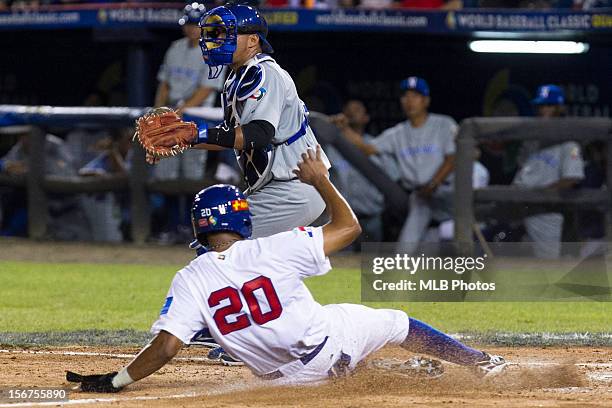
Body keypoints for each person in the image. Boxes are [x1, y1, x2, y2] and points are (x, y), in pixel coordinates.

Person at [66, 146, 508, 393]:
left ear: (200, 229)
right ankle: (479, 363)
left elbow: (164, 350)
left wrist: (118, 379)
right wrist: (320, 181)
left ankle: (398, 375)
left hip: (286, 384)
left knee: (330, 356)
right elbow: (349, 227)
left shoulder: (190, 278)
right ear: (242, 219)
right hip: (332, 344)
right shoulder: (273, 248)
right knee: (396, 322)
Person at [150, 3, 330, 239]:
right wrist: (181, 141)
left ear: (253, 41)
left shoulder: (265, 73)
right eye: (214, 34)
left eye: (225, 33)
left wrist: (191, 134)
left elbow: (257, 135)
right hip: (275, 187)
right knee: (255, 263)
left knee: (219, 245)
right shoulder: (237, 76)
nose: (215, 40)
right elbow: (231, 136)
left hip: (295, 186)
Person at [342, 77, 457, 251]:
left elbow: (453, 157)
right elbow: (368, 148)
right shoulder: (397, 133)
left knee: (464, 240)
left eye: (415, 95)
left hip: (448, 192)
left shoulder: (443, 124)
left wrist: (434, 183)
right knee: (407, 248)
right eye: (405, 96)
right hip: (421, 196)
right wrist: (344, 130)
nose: (409, 100)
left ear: (426, 100)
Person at [151, 2, 225, 243]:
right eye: (190, 24)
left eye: (197, 24)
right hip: (173, 115)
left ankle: (192, 228)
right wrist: (159, 111)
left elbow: (206, 89)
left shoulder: (214, 51)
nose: (192, 29)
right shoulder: (175, 48)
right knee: (168, 174)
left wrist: (180, 111)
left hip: (198, 117)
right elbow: (165, 83)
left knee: (193, 176)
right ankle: (172, 226)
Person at [512, 84, 584, 259]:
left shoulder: (569, 143)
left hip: (546, 211)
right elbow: (522, 169)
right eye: (541, 106)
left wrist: (539, 195)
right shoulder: (533, 138)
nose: (544, 110)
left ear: (559, 108)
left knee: (548, 264)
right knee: (507, 254)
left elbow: (571, 179)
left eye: (549, 105)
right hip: (518, 206)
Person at [328, 100, 385, 245]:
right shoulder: (331, 147)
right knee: (341, 263)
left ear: (366, 117)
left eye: (357, 109)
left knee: (372, 264)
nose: (351, 112)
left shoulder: (375, 145)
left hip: (371, 215)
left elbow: (393, 177)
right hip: (342, 218)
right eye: (348, 109)